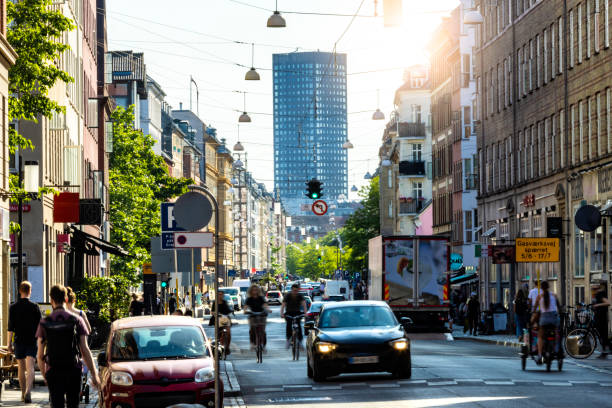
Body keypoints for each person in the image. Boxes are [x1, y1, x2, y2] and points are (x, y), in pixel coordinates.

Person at [36, 285, 100, 408]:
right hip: (73, 370)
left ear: (51, 301)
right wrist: (94, 374)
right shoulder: (76, 320)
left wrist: (45, 375)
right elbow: (85, 349)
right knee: (73, 404)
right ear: (66, 299)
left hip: (54, 371)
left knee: (57, 404)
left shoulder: (45, 322)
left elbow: (39, 355)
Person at [7, 281, 41, 403]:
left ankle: (22, 392)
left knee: (21, 367)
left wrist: (8, 343)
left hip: (19, 340)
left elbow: (10, 327)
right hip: (31, 340)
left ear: (19, 291)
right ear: (30, 291)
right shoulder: (34, 307)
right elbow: (40, 326)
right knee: (30, 366)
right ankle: (28, 392)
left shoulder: (13, 307)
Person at [534, 281, 560, 363]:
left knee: (540, 335)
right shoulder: (554, 295)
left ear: (541, 288)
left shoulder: (539, 296)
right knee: (556, 332)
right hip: (553, 317)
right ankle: (555, 349)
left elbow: (534, 308)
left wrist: (533, 312)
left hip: (544, 318)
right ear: (549, 287)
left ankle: (540, 354)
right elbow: (558, 306)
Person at [244, 284, 270, 351]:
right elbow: (246, 307)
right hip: (252, 315)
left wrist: (268, 309)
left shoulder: (261, 298)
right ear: (251, 291)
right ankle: (252, 343)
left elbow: (265, 305)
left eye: (256, 290)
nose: (254, 291)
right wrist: (245, 311)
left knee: (263, 331)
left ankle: (263, 345)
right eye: (253, 290)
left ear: (258, 290)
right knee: (252, 329)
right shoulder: (249, 299)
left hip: (262, 315)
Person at [280, 283, 307, 349]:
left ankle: (300, 341)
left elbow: (304, 305)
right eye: (294, 290)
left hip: (297, 312)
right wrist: (282, 313)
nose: (295, 292)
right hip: (289, 312)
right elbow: (283, 305)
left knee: (299, 326)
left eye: (296, 291)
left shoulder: (300, 296)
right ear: (292, 290)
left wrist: (305, 313)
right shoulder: (288, 295)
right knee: (289, 325)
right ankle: (288, 340)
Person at [593, 282, 611, 359]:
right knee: (602, 335)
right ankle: (605, 351)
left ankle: (605, 351)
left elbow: (608, 303)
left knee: (602, 335)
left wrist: (597, 305)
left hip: (601, 316)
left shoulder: (601, 294)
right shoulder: (600, 293)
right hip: (600, 316)